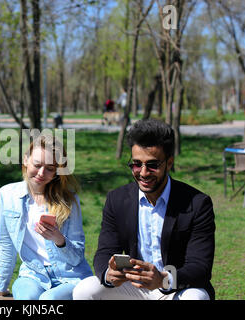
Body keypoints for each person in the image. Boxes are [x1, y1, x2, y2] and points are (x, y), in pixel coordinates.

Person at [73, 119, 216, 300]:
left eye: (152, 165)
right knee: (84, 290)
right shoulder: (116, 199)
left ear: (169, 163)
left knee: (196, 298)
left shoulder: (197, 203)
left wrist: (163, 279)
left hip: (175, 288)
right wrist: (109, 274)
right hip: (133, 287)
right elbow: (104, 251)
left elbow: (200, 267)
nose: (143, 172)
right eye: (136, 164)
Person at [0, 135, 93, 300]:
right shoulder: (7, 194)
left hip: (70, 276)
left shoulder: (68, 200)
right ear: (25, 160)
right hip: (33, 275)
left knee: (48, 300)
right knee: (26, 298)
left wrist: (59, 240)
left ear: (57, 171)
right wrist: (1, 286)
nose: (41, 173)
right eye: (37, 165)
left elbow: (77, 257)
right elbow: (6, 243)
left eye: (50, 168)